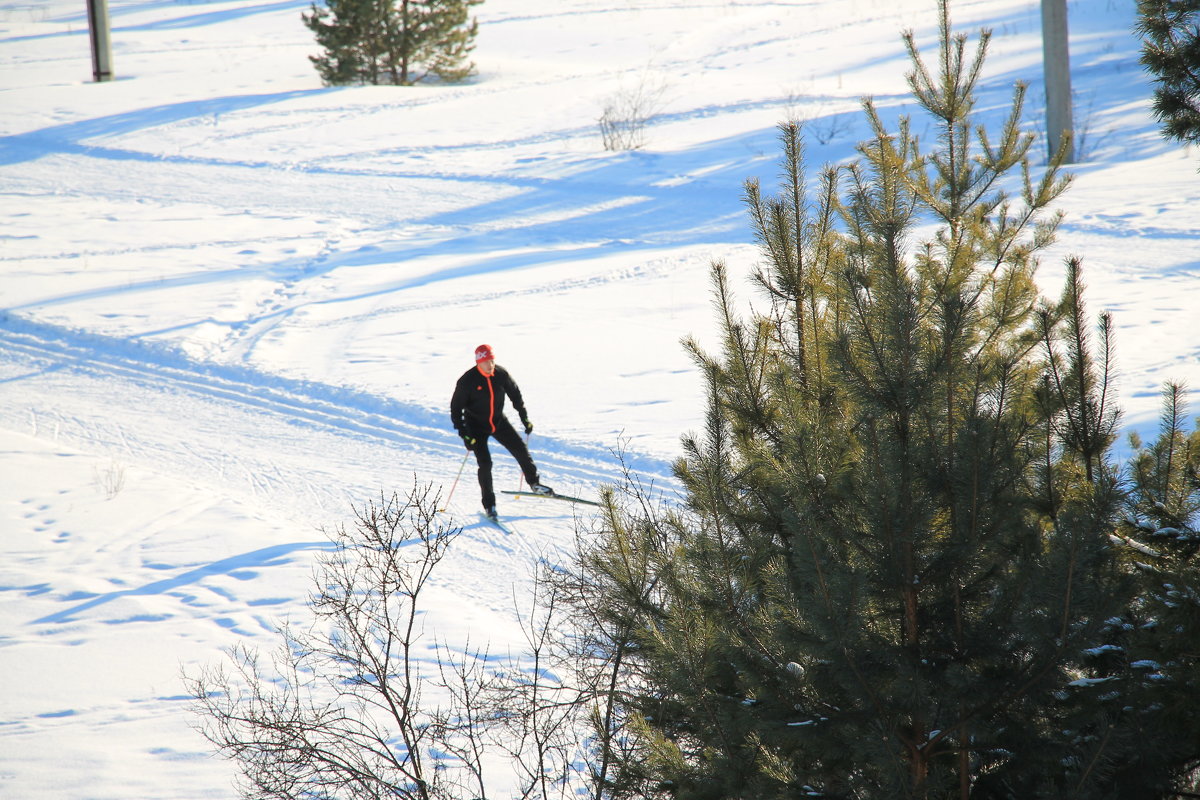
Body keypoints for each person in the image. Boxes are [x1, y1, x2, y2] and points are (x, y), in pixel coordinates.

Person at [450, 344, 553, 519]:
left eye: (491, 361)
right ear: (478, 363)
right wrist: (464, 434)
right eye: (485, 362)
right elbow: (455, 410)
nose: (489, 365)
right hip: (475, 426)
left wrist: (524, 418)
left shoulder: (500, 374)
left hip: (498, 421)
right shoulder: (467, 381)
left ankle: (534, 483)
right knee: (485, 464)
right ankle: (489, 505)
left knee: (520, 449)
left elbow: (516, 395)